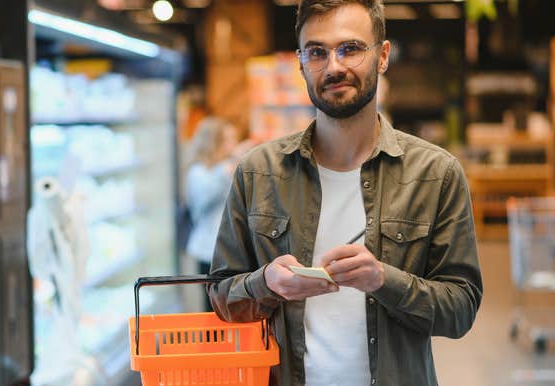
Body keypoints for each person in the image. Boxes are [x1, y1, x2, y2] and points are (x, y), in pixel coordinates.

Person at [207, 1, 483, 385]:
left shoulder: (435, 174)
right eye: (317, 52)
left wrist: (383, 280)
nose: (334, 66)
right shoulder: (258, 172)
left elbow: (461, 310)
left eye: (350, 48)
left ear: (382, 56)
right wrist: (267, 282)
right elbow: (221, 296)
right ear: (301, 63)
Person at [185, 116, 253, 310]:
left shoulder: (228, 168)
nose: (233, 145)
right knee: (212, 309)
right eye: (228, 140)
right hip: (209, 251)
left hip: (234, 251)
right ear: (214, 142)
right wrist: (232, 161)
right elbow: (205, 196)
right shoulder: (199, 172)